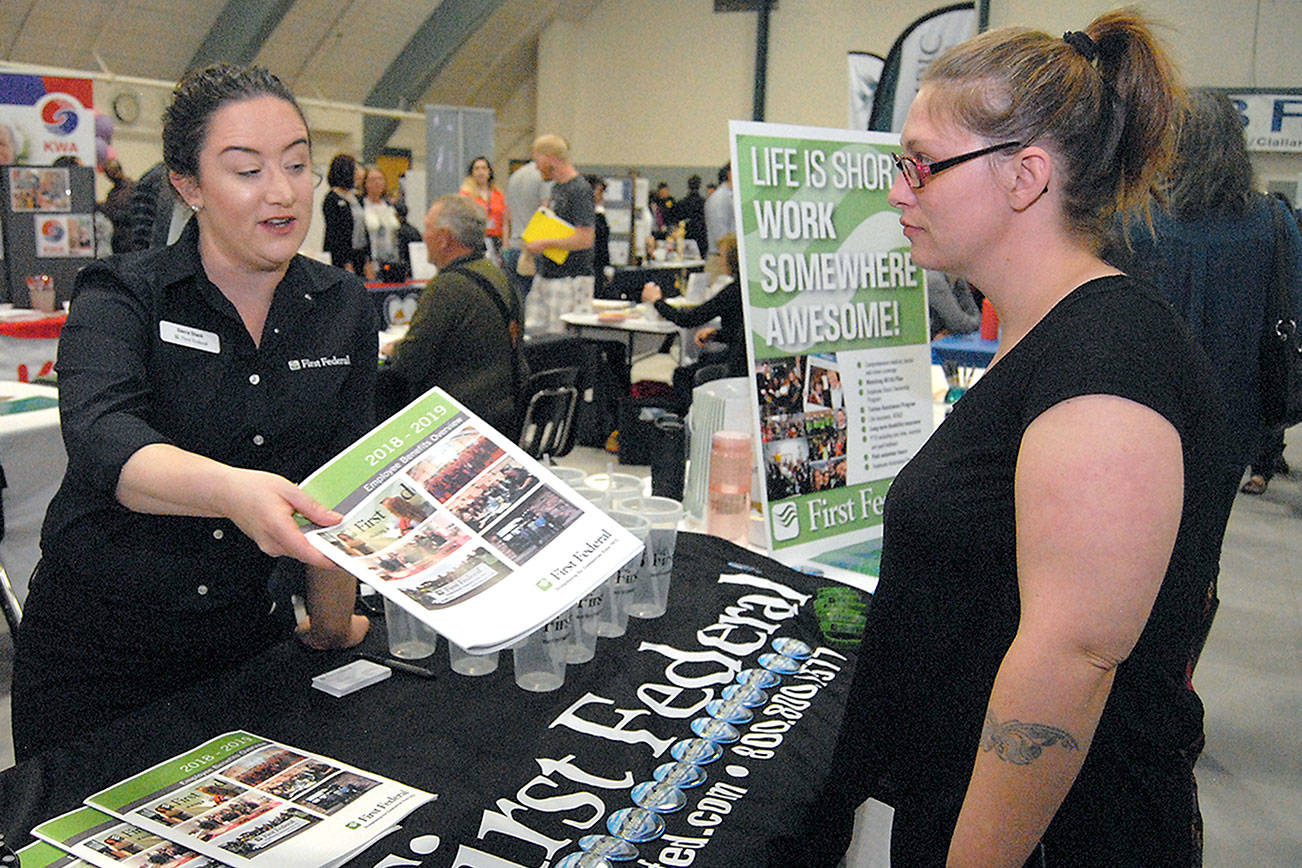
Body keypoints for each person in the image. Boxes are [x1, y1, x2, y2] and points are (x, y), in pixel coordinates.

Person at [797, 13, 1237, 866]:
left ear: (1025, 176)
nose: (897, 189)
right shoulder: (1044, 335)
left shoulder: (1109, 362)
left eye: (920, 163)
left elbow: (1070, 663)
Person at [11, 63, 373, 760]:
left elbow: (338, 483)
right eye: (246, 170)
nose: (282, 191)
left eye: (298, 164)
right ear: (189, 184)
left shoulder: (341, 308)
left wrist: (331, 625)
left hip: (247, 641)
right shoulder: (122, 296)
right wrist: (233, 491)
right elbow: (104, 438)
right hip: (100, 656)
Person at [1110, 93, 1302, 496]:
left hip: (1139, 409)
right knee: (1203, 536)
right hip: (1236, 418)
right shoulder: (1273, 222)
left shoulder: (1135, 219)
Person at [377, 194, 524, 440]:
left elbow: (410, 362)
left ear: (444, 238)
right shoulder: (499, 277)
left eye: (428, 228)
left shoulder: (447, 288)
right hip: (502, 413)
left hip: (456, 423)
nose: (423, 236)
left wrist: (395, 349)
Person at [641, 233, 745, 404]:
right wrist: (717, 334)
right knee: (701, 361)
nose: (720, 261)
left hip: (735, 362)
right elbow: (740, 330)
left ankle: (690, 419)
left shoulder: (733, 291)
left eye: (722, 256)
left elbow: (687, 319)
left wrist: (657, 302)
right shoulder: (743, 289)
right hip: (737, 355)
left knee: (682, 375)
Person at [523, 134, 594, 335]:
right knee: (534, 330)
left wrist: (545, 243)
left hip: (570, 278)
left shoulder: (579, 190)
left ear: (549, 157)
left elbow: (585, 239)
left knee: (559, 337)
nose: (536, 167)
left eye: (537, 160)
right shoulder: (556, 189)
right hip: (547, 273)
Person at [503, 158, 550, 301]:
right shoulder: (543, 178)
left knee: (516, 301)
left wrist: (506, 245)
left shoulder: (514, 176)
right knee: (534, 303)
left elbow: (507, 215)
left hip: (513, 247)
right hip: (533, 249)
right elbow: (545, 211)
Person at [321, 153, 367, 273]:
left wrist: (368, 258)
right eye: (354, 169)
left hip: (359, 253)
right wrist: (346, 261)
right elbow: (335, 233)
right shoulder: (332, 199)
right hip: (341, 257)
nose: (358, 173)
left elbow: (363, 228)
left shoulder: (357, 197)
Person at [459, 155, 508, 266]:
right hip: (476, 240)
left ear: (489, 172)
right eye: (477, 168)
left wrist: (506, 245)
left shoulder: (498, 194)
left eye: (484, 168)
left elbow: (504, 222)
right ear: (472, 173)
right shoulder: (466, 195)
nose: (481, 172)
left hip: (496, 240)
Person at [361, 166, 404, 281]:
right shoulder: (362, 207)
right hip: (372, 262)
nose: (377, 183)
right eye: (372, 180)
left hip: (392, 261)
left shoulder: (389, 207)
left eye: (380, 179)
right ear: (365, 184)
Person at [99, 158, 136, 254]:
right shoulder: (112, 193)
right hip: (118, 240)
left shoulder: (132, 188)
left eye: (111, 172)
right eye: (107, 173)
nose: (110, 176)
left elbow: (125, 213)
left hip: (130, 240)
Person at [703, 163, 734, 276]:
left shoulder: (731, 196)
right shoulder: (719, 199)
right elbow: (721, 238)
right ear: (731, 174)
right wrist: (725, 266)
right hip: (721, 262)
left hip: (729, 261)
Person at [672, 174, 708, 259]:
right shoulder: (704, 203)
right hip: (701, 237)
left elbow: (676, 221)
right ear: (700, 186)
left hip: (686, 236)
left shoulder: (681, 203)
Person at [588, 175, 610, 297]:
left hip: (599, 263)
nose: (601, 196)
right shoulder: (585, 214)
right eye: (599, 191)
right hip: (590, 263)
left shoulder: (599, 213)